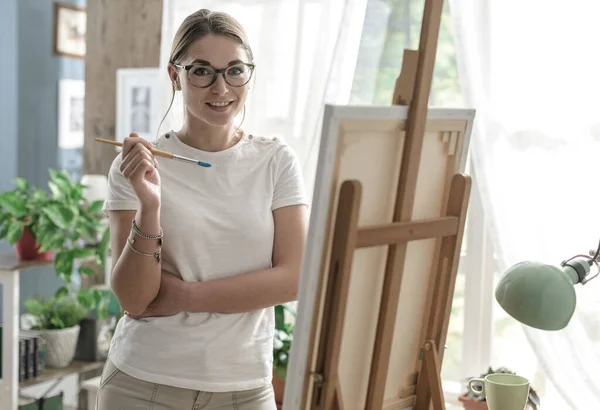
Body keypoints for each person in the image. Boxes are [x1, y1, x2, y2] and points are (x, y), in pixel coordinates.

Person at [97, 9, 309, 410]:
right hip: (142, 385)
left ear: (249, 74)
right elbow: (134, 299)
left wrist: (187, 296)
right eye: (201, 71)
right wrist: (149, 205)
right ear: (175, 75)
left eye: (234, 70)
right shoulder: (135, 166)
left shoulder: (276, 161)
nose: (220, 87)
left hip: (244, 390)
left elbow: (294, 279)